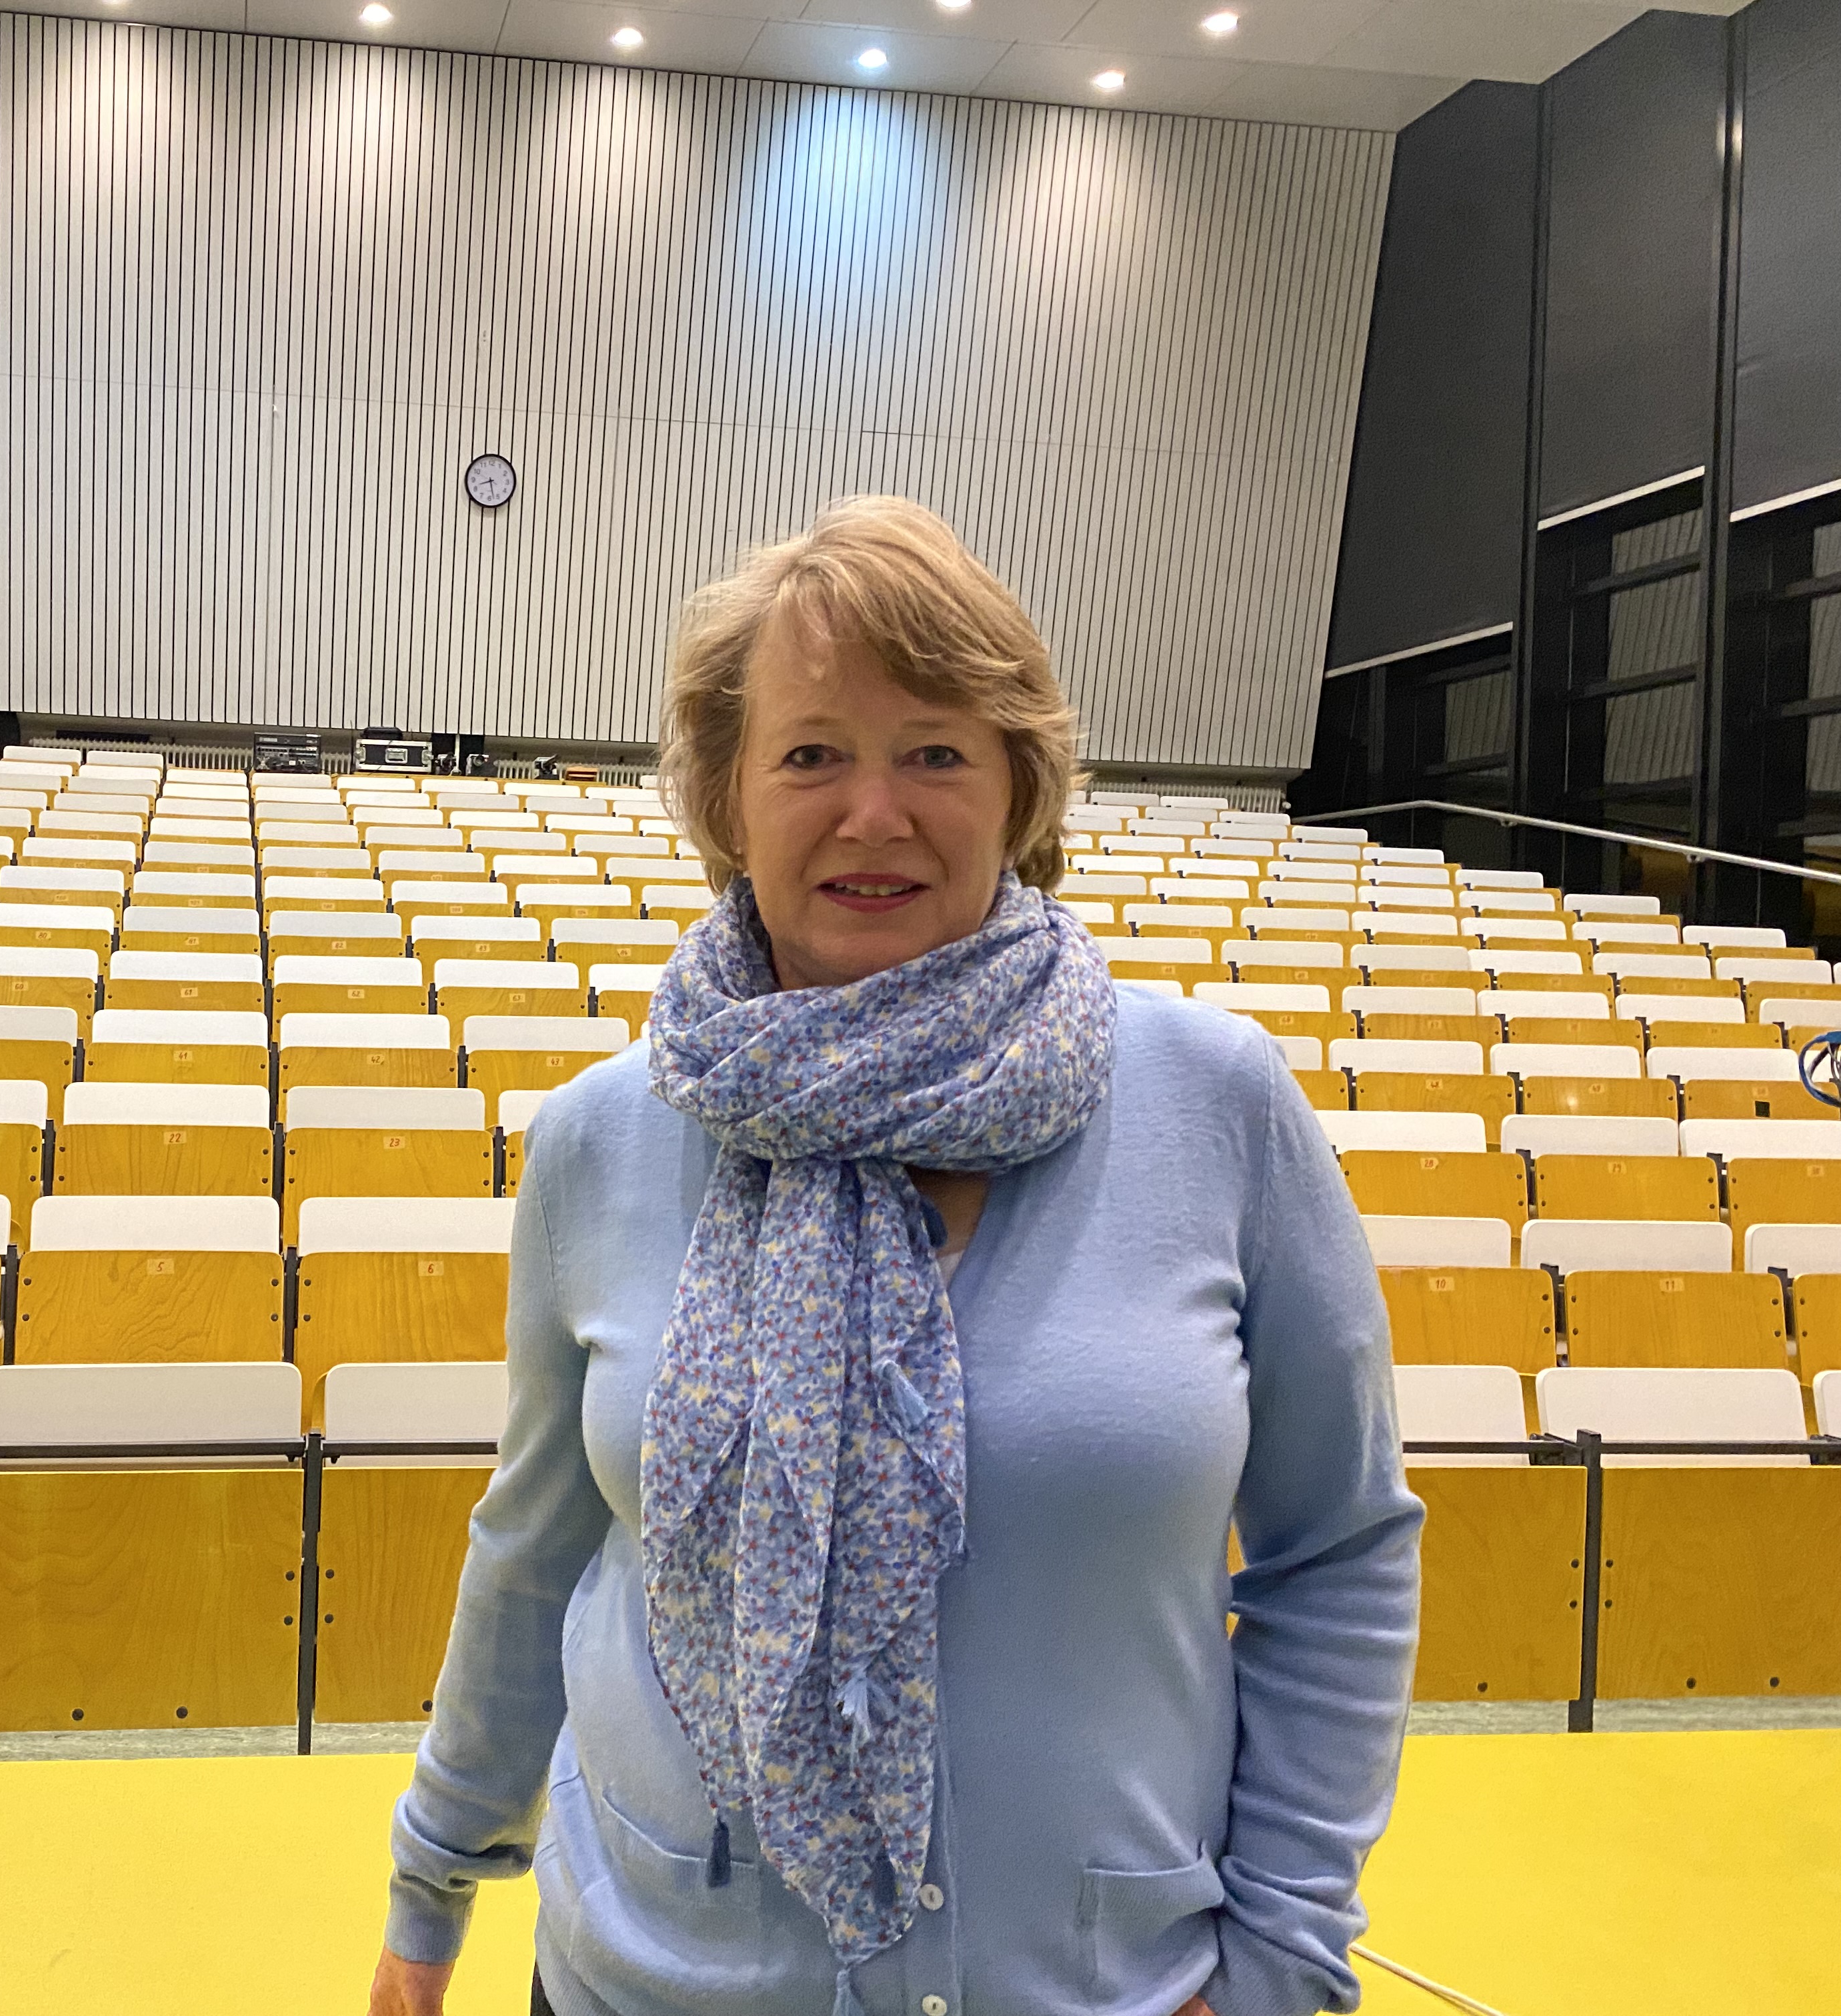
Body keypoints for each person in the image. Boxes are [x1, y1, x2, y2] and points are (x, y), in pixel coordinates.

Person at [365, 495, 1422, 2016]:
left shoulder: (1216, 1100)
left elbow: (1341, 1548)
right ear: (728, 798)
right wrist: (432, 1891)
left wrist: (1284, 1959)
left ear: (1019, 787)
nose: (875, 813)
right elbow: (538, 1556)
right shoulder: (604, 1140)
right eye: (810, 755)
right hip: (656, 1982)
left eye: (936, 748)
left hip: (1099, 1987)